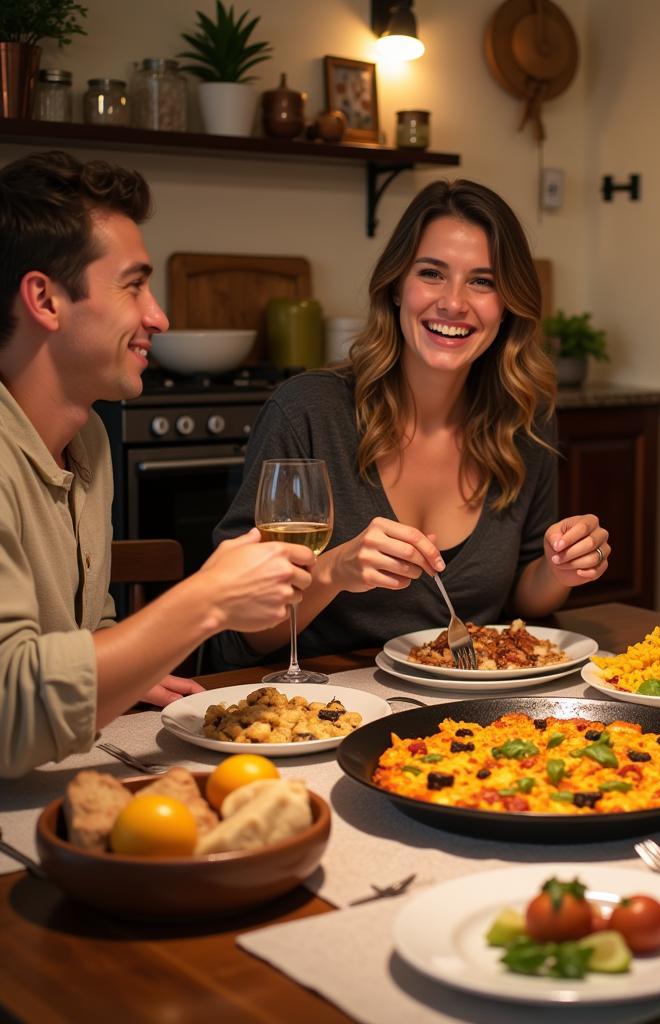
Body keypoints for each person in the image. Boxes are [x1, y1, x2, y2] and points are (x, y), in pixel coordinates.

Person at [0, 150, 315, 777]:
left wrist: (132, 670)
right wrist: (208, 600)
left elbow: (85, 633)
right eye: (133, 285)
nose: (159, 318)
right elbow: (9, 713)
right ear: (44, 299)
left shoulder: (86, 437)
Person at [210, 179, 611, 668]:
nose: (454, 303)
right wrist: (334, 569)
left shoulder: (525, 417)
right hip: (320, 708)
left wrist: (559, 569)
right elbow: (239, 633)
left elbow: (528, 602)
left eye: (482, 281)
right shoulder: (307, 412)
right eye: (432, 273)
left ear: (507, 307)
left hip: (473, 716)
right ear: (397, 286)